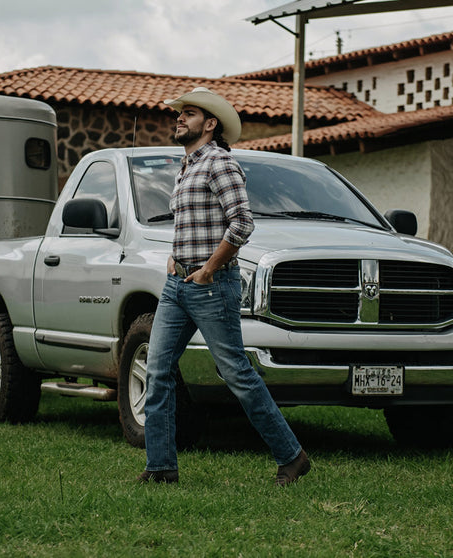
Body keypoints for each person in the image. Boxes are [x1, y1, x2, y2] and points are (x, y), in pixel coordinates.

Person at [137, 87, 311, 487]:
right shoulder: (186, 166)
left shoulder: (219, 163)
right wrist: (175, 258)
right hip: (176, 284)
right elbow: (193, 224)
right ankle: (161, 467)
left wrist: (208, 269)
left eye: (189, 113)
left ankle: (292, 456)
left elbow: (242, 223)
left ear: (210, 123)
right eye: (179, 113)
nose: (179, 118)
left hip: (211, 286)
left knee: (236, 373)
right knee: (159, 370)